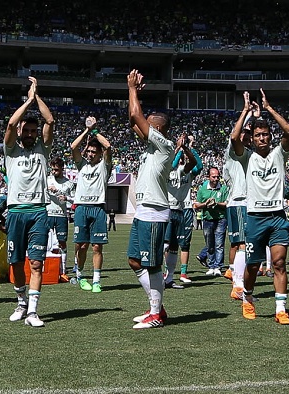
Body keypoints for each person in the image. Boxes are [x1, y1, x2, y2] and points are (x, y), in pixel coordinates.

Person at [232, 88, 289, 325]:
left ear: (270, 136)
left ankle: (281, 309)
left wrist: (268, 108)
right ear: (253, 138)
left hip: (277, 216)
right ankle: (247, 298)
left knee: (278, 263)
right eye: (258, 135)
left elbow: (288, 130)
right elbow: (234, 138)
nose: (262, 138)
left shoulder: (280, 154)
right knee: (254, 264)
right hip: (255, 217)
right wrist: (246, 111)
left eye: (266, 135)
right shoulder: (247, 157)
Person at [2, 77, 54, 327]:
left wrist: (38, 98)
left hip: (38, 212)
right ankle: (21, 302)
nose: (31, 134)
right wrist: (27, 101)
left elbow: (50, 121)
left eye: (34, 131)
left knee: (36, 262)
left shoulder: (43, 151)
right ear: (21, 132)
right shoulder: (11, 152)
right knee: (16, 262)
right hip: (15, 212)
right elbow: (11, 122)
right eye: (27, 130)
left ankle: (33, 311)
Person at [127, 69, 176, 329]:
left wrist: (132, 88)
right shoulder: (151, 146)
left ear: (157, 129)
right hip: (144, 210)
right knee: (134, 261)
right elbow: (133, 118)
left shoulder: (164, 146)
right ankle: (157, 307)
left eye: (149, 123)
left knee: (153, 265)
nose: (142, 126)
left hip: (155, 211)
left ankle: (156, 315)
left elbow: (136, 116)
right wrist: (133, 93)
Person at [71, 116, 112, 293]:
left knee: (97, 246)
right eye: (88, 151)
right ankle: (79, 275)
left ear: (99, 153)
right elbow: (73, 147)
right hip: (81, 207)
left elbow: (108, 146)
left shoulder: (104, 167)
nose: (89, 154)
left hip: (98, 208)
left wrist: (95, 130)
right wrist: (87, 131)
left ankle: (96, 280)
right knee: (82, 245)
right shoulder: (82, 165)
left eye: (94, 152)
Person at [225, 97, 253, 299]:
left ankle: (235, 277)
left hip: (240, 203)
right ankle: (238, 286)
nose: (247, 137)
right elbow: (236, 137)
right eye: (245, 133)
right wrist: (245, 112)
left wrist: (253, 116)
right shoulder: (234, 151)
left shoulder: (249, 152)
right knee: (243, 244)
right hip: (240, 202)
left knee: (237, 244)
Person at [164, 134, 197, 289]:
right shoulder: (165, 170)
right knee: (164, 245)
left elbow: (195, 163)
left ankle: (170, 278)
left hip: (179, 210)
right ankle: (160, 275)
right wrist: (178, 149)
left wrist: (186, 147)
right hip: (167, 210)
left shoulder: (182, 171)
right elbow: (173, 162)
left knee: (174, 247)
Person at [193, 167, 229, 276]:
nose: (216, 179)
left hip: (221, 219)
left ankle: (218, 266)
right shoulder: (202, 189)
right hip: (207, 219)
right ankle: (211, 265)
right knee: (210, 244)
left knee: (219, 244)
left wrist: (216, 204)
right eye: (214, 176)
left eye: (218, 176)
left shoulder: (223, 189)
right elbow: (196, 205)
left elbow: (227, 203)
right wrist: (205, 204)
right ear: (208, 177)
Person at [46, 157, 75, 283]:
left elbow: (75, 199)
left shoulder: (69, 183)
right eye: (52, 169)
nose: (54, 172)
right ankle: (45, 268)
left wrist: (66, 198)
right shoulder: (47, 180)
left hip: (61, 216)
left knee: (62, 242)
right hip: (47, 214)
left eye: (56, 170)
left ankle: (62, 271)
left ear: (62, 169)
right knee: (45, 242)